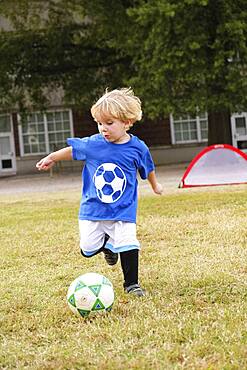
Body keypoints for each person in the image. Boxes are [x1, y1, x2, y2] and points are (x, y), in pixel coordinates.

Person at [36, 88, 163, 297]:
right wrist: (52, 157)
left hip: (123, 210)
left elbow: (147, 168)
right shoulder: (94, 144)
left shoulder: (138, 148)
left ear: (127, 122)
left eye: (109, 123)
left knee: (128, 242)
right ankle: (107, 246)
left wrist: (155, 185)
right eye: (99, 123)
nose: (103, 128)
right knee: (86, 249)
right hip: (93, 208)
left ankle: (132, 284)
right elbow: (72, 151)